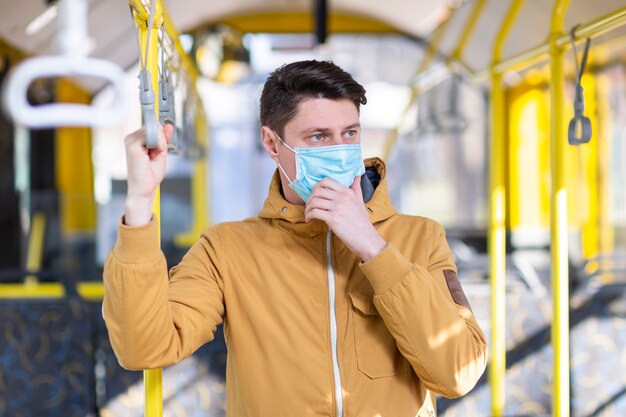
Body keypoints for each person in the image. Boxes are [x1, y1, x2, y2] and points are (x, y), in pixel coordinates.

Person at [103, 60, 487, 417]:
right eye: (319, 137)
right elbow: (144, 347)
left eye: (349, 133)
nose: (339, 149)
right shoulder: (227, 250)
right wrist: (139, 199)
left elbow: (457, 372)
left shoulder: (420, 236)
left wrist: (374, 248)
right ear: (272, 144)